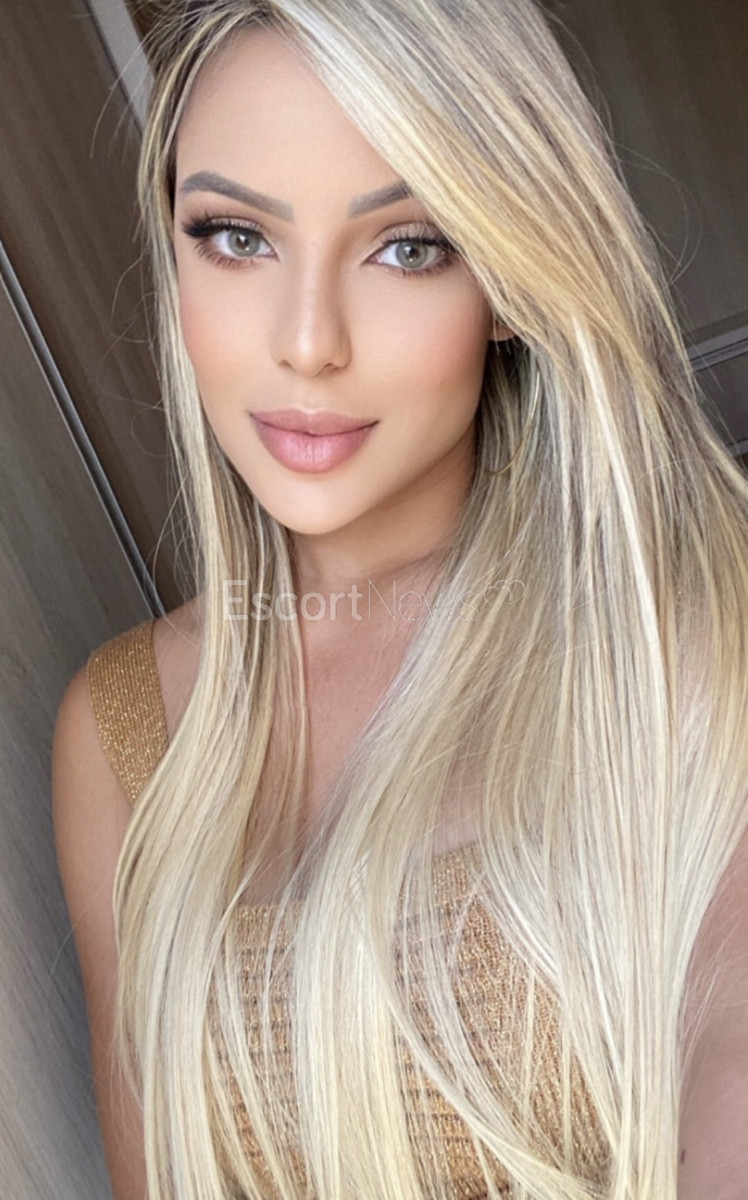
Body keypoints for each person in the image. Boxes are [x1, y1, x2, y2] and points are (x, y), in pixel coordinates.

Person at [51, 1, 748, 1197]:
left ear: (511, 275)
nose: (308, 341)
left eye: (407, 246)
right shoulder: (125, 735)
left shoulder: (680, 632)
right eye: (235, 237)